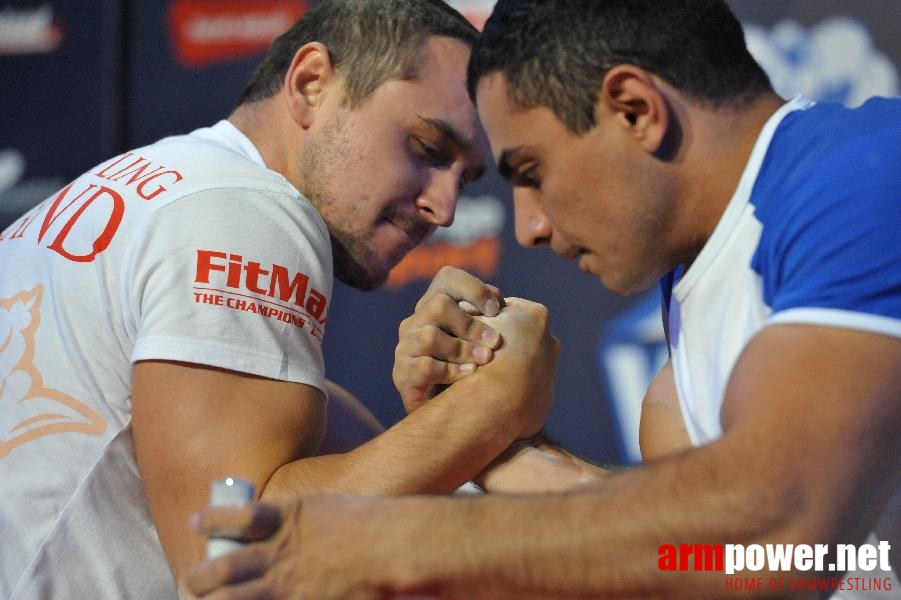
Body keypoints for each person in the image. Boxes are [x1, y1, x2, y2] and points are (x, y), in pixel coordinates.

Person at [184, 0, 901, 598]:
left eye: (529, 171)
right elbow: (713, 558)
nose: (526, 226)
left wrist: (393, 542)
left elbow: (780, 527)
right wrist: (497, 445)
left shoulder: (864, 172)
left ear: (634, 109)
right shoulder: (698, 291)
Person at [0, 1, 561, 597]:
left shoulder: (167, 182)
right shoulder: (245, 206)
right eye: (427, 149)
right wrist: (488, 409)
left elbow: (352, 481)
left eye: (464, 180)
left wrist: (461, 424)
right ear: (311, 83)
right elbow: (225, 564)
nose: (443, 208)